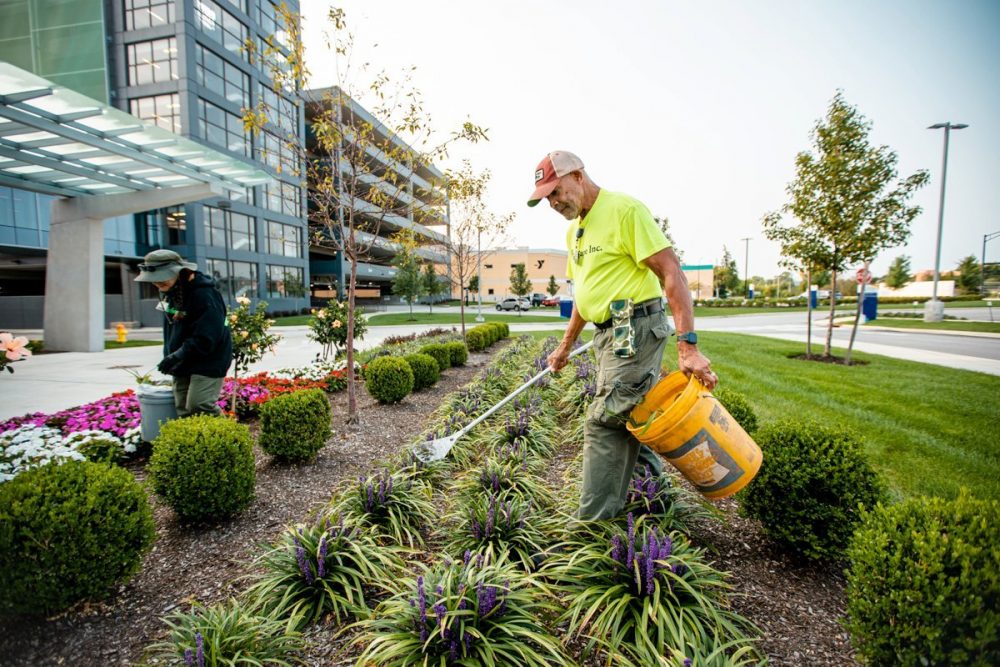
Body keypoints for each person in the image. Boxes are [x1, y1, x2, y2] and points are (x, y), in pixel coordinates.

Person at [528, 150, 717, 520]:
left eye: (557, 191)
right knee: (629, 415)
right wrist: (565, 346)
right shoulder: (574, 231)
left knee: (604, 419)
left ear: (578, 176)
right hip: (606, 335)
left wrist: (688, 346)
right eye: (547, 197)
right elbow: (585, 293)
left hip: (634, 327)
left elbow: (671, 272)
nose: (553, 202)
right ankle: (656, 502)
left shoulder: (625, 211)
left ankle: (592, 528)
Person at [135, 249, 233, 417]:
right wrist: (171, 355)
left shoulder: (204, 294)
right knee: (182, 407)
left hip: (209, 358)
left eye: (161, 278)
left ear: (179, 272)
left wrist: (178, 355)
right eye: (154, 280)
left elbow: (207, 336)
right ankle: (195, 443)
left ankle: (233, 440)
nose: (157, 284)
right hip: (182, 359)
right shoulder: (171, 292)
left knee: (199, 404)